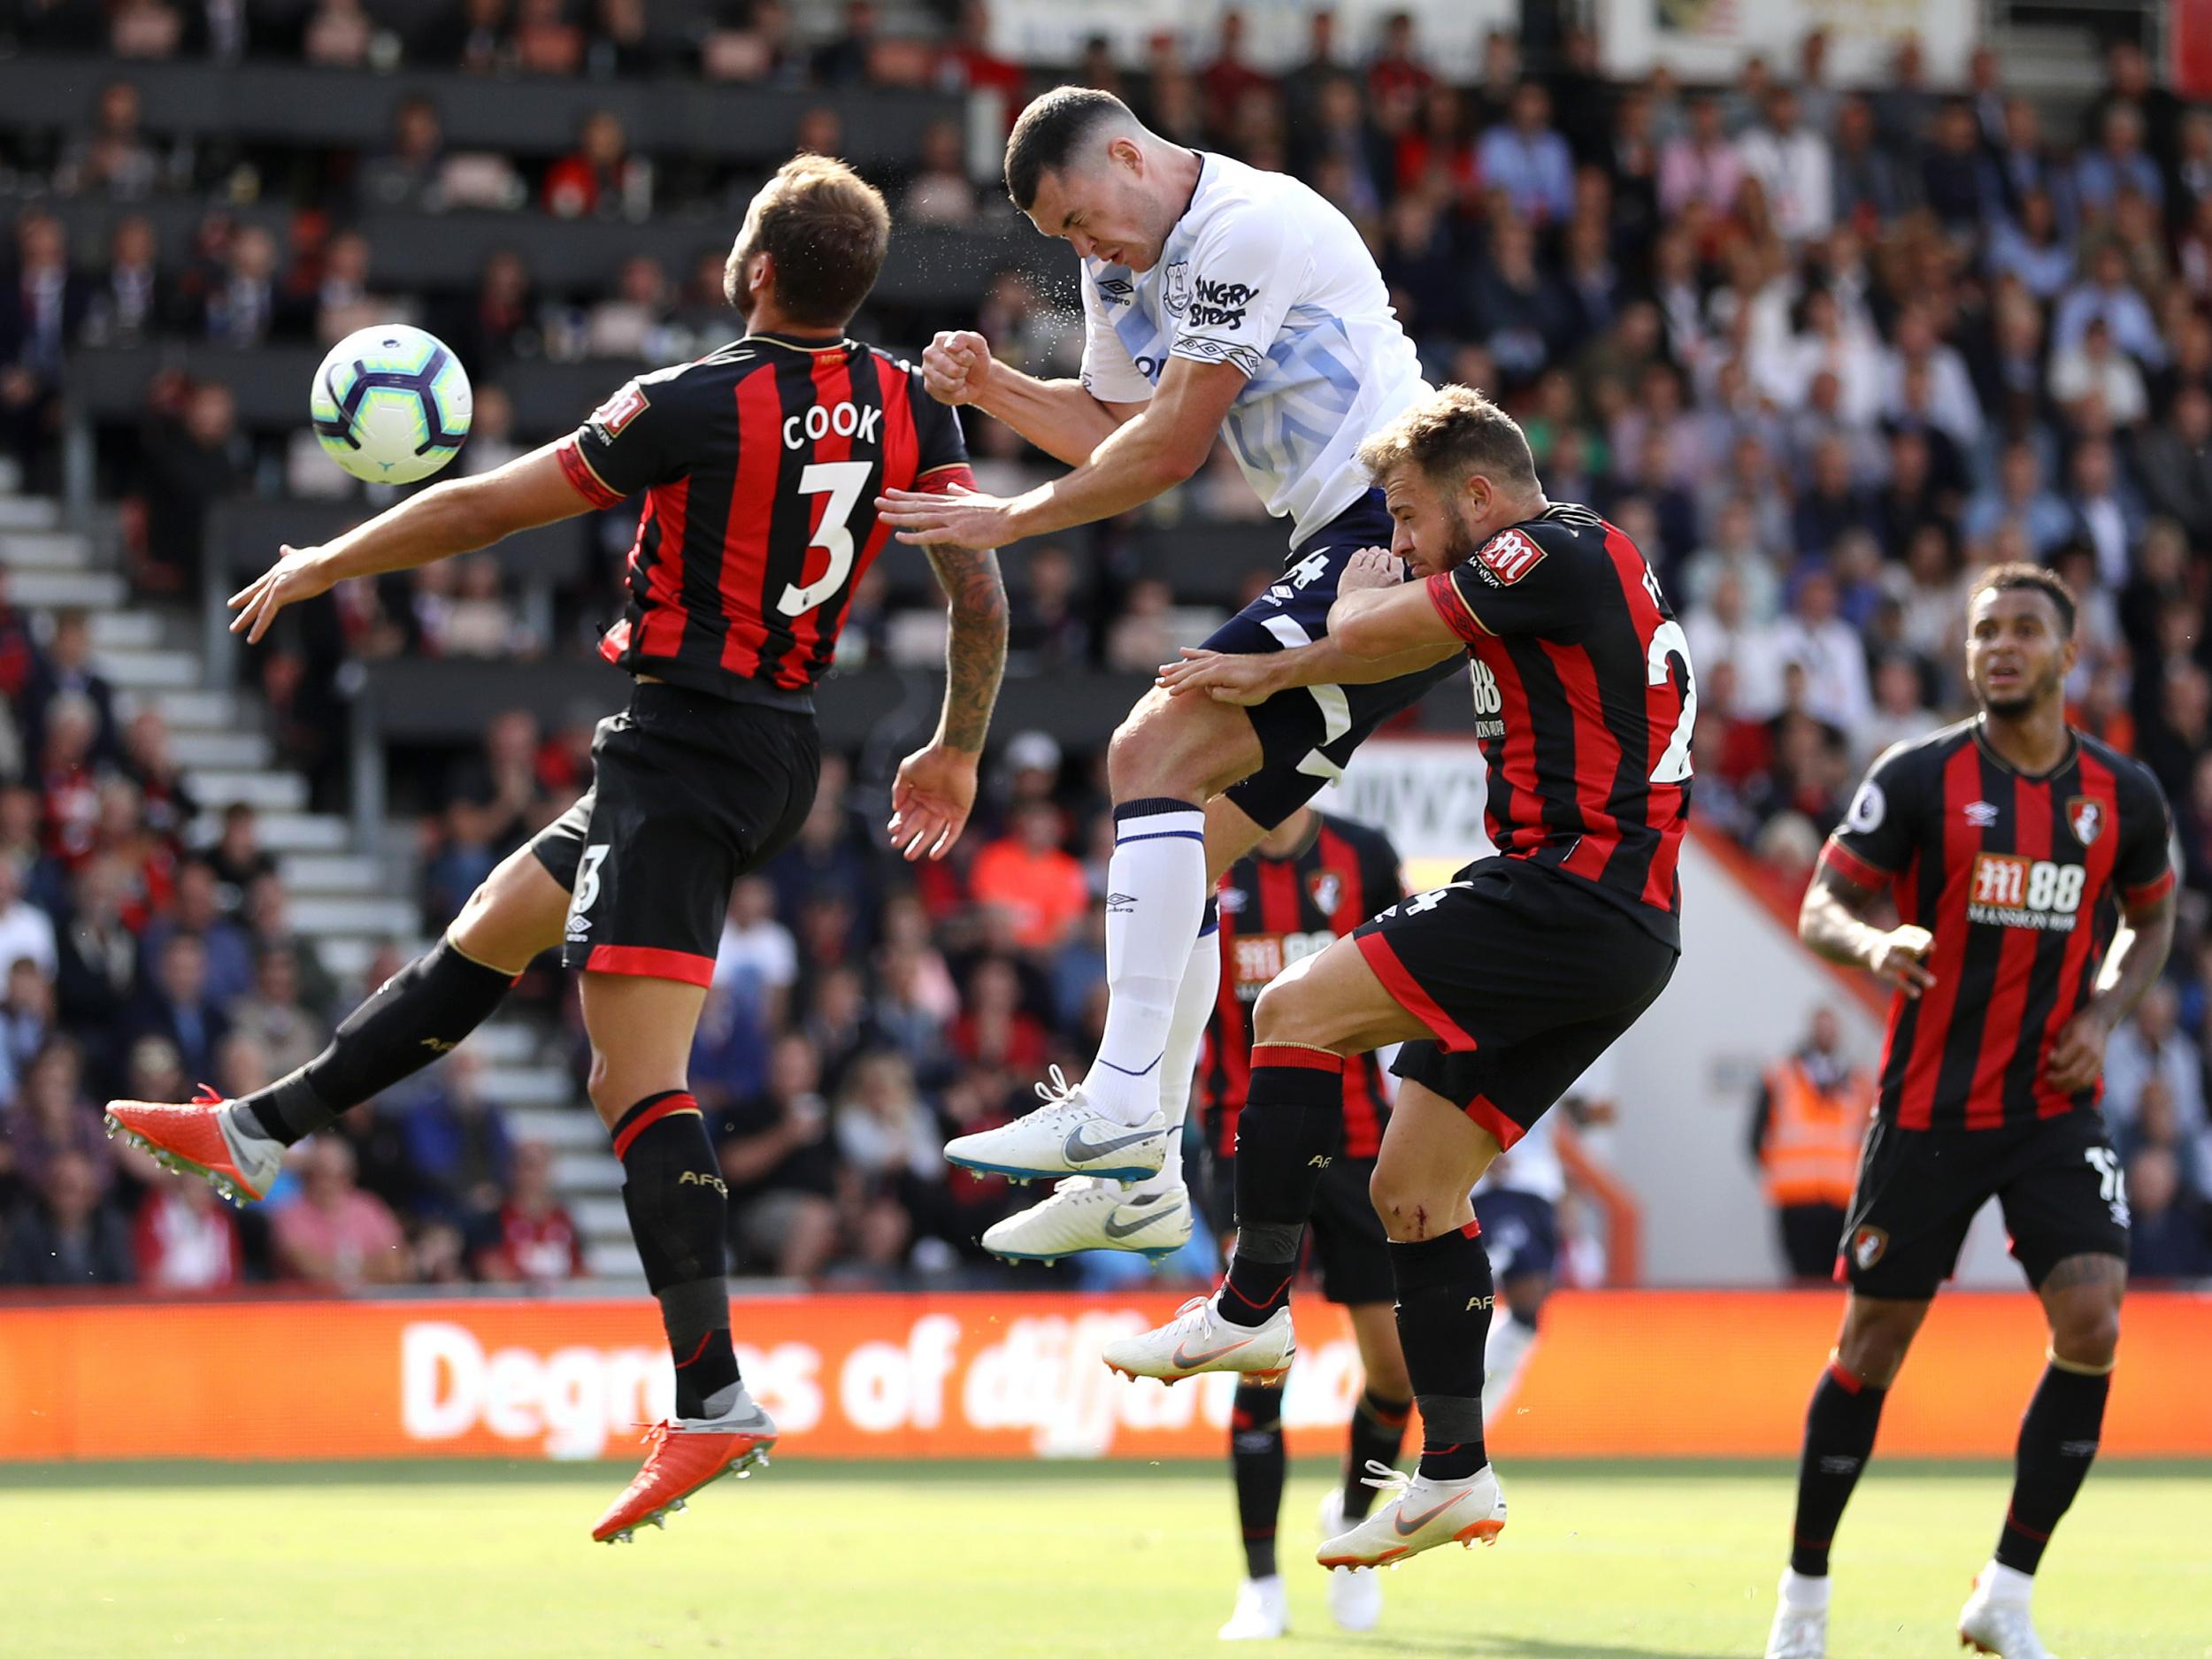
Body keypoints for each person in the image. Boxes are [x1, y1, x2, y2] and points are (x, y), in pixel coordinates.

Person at [104, 156, 1009, 1546]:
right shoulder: (905, 400)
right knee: (489, 930)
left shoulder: (691, 400)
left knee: (630, 1077)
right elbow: (977, 582)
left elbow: (487, 506)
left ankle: (710, 1393)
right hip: (756, 744)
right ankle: (256, 1128)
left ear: (758, 268)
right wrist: (955, 742)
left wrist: (320, 562)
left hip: (690, 741)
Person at [1101, 387, 1691, 1574]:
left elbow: (1389, 627)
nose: (1401, 539)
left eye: (1413, 515)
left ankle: (1252, 1302)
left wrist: (1299, 646)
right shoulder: (1560, 576)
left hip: (1568, 889)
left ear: (1480, 494)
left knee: (1291, 1008)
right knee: (1414, 1186)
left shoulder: (1549, 544)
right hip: (1621, 928)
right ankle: (1456, 1467)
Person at [875, 87, 1458, 1241]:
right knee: (1193, 829)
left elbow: (1177, 449)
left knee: (1147, 747)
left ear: (1133, 158)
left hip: (1398, 527)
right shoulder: (1126, 267)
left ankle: (1126, 1110)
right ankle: (1147, 1173)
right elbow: (1113, 428)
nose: (1085, 251)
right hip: (1349, 531)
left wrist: (1014, 517)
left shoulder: (1244, 222)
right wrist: (992, 384)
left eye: (1084, 221)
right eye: (1065, 243)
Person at [1764, 564, 2176, 1659]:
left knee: (2092, 1324)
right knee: (1872, 1346)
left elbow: (2154, 912)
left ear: (2065, 654)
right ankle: (1801, 1602)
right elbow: (1821, 905)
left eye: (2024, 629)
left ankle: (2005, 1591)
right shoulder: (1916, 778)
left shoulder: (2120, 794)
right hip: (1929, 1108)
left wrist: (2106, 1006)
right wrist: (1873, 941)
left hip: (2054, 1102)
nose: (2000, 645)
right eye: (1984, 630)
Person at [992, 803, 1415, 1636]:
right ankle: (1260, 1583)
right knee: (1256, 1355)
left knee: (1397, 1372)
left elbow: (1409, 977)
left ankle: (1353, 1515)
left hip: (1362, 1139)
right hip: (1244, 1141)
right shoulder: (1209, 863)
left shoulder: (1362, 856)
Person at [1747, 1006, 1870, 1283]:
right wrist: (1776, 1171)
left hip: (1842, 1198)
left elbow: (1869, 1138)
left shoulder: (1857, 1082)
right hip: (1796, 1198)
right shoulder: (1781, 1076)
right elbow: (1755, 1136)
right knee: (1802, 1280)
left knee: (1838, 1280)